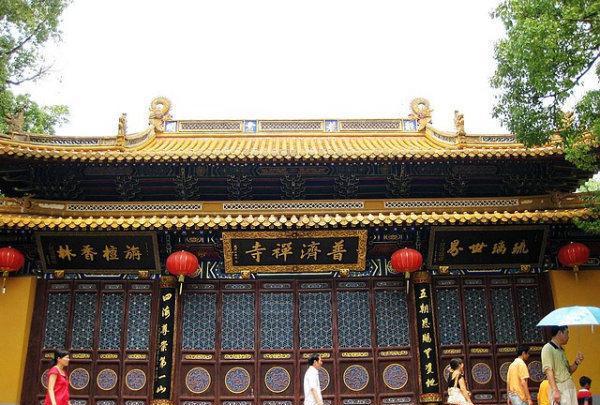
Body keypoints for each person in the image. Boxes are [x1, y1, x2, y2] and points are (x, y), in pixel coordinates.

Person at [541, 326, 584, 405]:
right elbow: (548, 371)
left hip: (569, 387)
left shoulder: (561, 350)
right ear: (560, 333)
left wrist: (577, 362)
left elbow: (569, 371)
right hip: (560, 388)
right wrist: (555, 391)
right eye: (567, 333)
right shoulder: (548, 348)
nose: (568, 336)